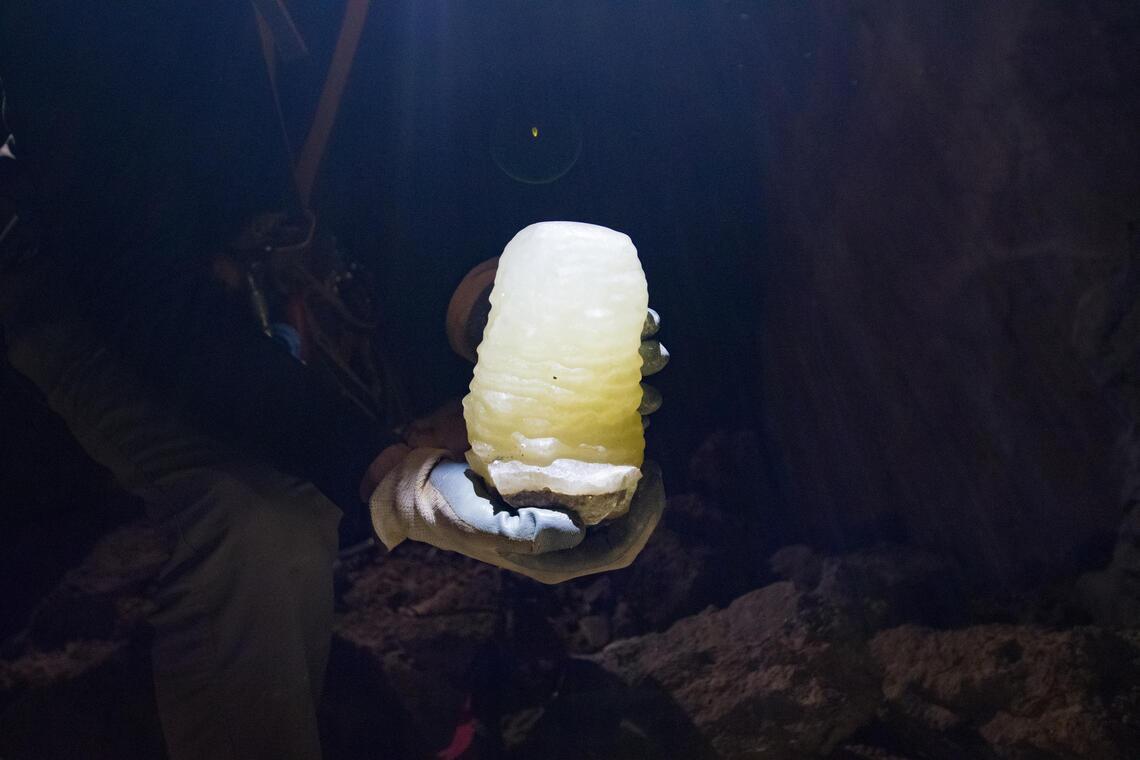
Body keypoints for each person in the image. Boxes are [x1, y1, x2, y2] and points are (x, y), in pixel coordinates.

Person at [0, 2, 666, 758]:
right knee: (260, 519)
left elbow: (438, 162)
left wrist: (506, 319)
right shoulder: (80, 27)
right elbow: (148, 295)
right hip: (91, 288)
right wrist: (386, 474)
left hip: (293, 282)